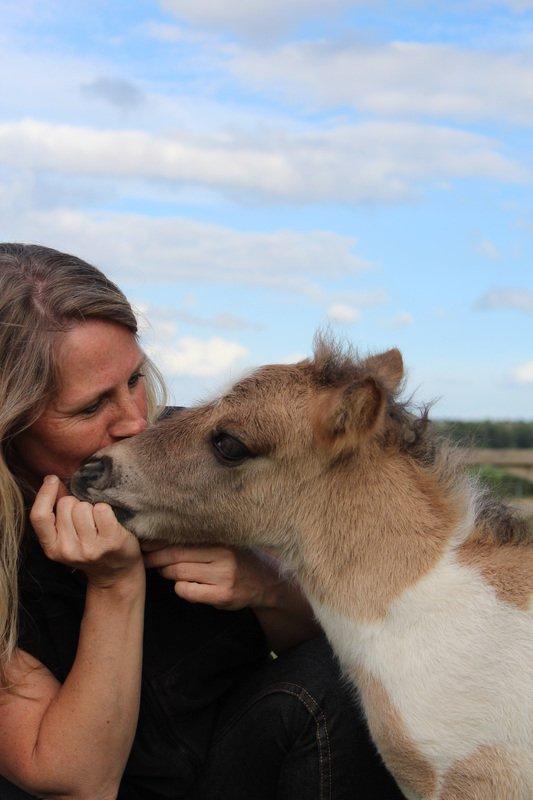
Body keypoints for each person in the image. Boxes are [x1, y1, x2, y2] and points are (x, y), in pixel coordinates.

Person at [0, 243, 404, 800]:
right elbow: (78, 783)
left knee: (344, 679)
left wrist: (266, 589)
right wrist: (115, 586)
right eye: (92, 408)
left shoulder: (191, 458)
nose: (138, 422)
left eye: (135, 379)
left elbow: (317, 642)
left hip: (235, 766)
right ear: (10, 421)